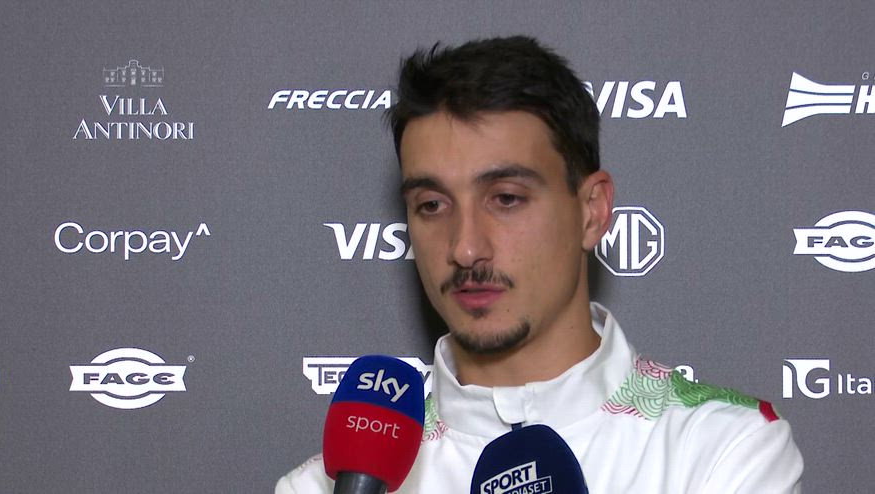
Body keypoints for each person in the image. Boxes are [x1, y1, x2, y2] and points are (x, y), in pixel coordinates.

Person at [276, 35, 803, 493]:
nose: (465, 248)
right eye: (432, 205)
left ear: (591, 211)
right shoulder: (324, 486)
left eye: (506, 199)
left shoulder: (722, 448)